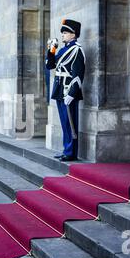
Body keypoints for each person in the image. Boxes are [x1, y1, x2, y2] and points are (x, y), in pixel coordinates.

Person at [45, 19, 86, 162]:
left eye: (66, 32)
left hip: (68, 91)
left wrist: (72, 93)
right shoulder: (63, 49)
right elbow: (50, 65)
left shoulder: (77, 50)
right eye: (62, 32)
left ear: (73, 34)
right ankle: (66, 149)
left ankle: (71, 152)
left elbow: (78, 75)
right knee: (64, 123)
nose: (63, 35)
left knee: (70, 123)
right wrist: (51, 50)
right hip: (60, 89)